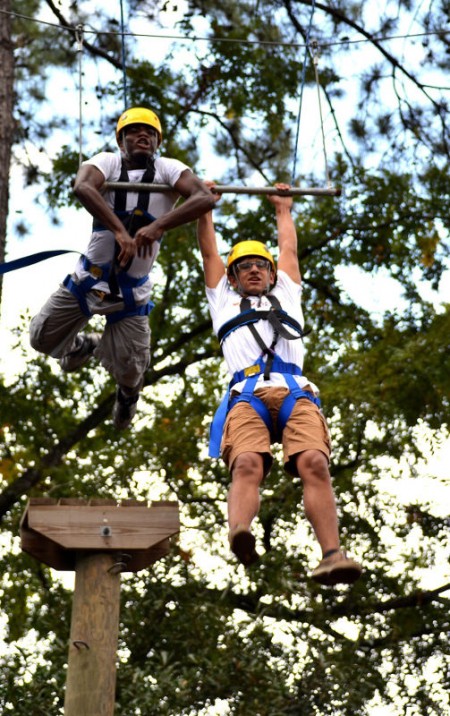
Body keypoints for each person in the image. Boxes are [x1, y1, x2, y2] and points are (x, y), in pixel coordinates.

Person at [196, 183, 362, 586]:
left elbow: (288, 250)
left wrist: (283, 209)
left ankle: (331, 555)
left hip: (295, 392)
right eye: (244, 267)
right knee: (248, 464)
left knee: (315, 464)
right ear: (233, 278)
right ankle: (240, 531)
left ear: (271, 273)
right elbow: (209, 253)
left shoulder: (287, 293)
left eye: (260, 265)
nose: (254, 270)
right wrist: (204, 208)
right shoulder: (224, 301)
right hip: (246, 395)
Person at [30, 106, 216, 429]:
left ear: (158, 142)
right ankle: (81, 344)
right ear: (121, 140)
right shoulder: (108, 163)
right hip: (89, 281)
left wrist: (157, 227)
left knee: (131, 369)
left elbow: (203, 197)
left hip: (131, 294)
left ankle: (127, 395)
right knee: (40, 337)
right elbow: (83, 186)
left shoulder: (168, 170)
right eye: (133, 132)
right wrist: (119, 230)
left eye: (150, 133)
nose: (142, 136)